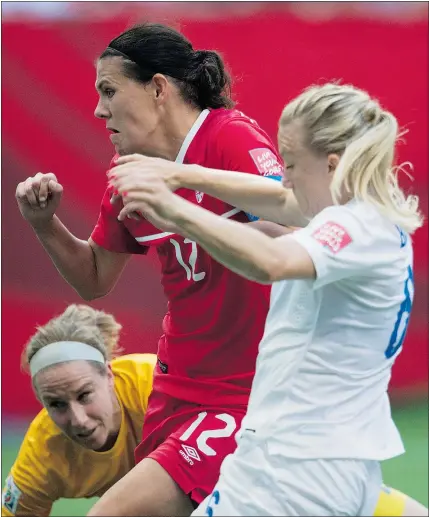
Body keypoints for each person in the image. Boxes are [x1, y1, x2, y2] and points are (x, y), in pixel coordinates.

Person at [15, 23, 301, 517]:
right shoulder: (128, 173)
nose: (99, 109)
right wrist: (44, 224)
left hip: (246, 390)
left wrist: (182, 215)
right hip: (175, 390)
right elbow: (95, 279)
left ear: (158, 87)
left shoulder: (229, 139)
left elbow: (296, 249)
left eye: (109, 90)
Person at [107, 82, 426, 516]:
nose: (284, 175)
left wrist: (172, 206)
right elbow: (278, 199)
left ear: (333, 165)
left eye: (291, 163)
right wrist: (177, 175)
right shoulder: (364, 216)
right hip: (305, 460)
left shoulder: (357, 226)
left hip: (296, 469)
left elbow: (273, 260)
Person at [1, 304, 156, 517]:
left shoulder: (156, 386)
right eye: (56, 404)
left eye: (84, 395)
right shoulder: (41, 455)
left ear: (109, 376)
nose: (79, 421)